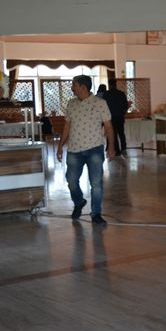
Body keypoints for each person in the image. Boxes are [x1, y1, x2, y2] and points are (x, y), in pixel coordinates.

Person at [57, 75, 115, 225]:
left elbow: (108, 126)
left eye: (74, 85)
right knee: (71, 181)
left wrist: (111, 147)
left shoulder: (100, 103)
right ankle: (79, 202)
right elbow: (67, 126)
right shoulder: (71, 104)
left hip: (94, 149)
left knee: (96, 184)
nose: (72, 88)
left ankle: (96, 214)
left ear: (83, 87)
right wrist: (60, 145)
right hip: (74, 150)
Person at [103, 80, 129, 156]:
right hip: (120, 116)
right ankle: (123, 148)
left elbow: (104, 106)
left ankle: (117, 151)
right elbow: (125, 105)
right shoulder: (121, 94)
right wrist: (122, 112)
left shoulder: (106, 94)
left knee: (113, 133)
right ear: (116, 84)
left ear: (109, 85)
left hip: (110, 117)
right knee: (121, 133)